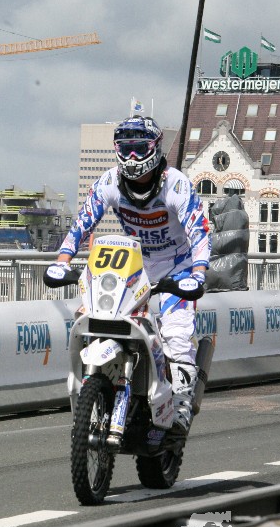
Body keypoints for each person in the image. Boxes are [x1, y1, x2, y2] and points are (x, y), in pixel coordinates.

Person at [51, 115, 211, 434]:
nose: (133, 156)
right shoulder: (109, 182)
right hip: (135, 266)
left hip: (177, 269)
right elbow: (83, 223)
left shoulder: (175, 184)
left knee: (177, 337)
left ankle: (180, 407)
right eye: (126, 149)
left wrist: (198, 272)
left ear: (155, 148)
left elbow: (199, 230)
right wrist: (62, 260)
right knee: (100, 318)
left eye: (140, 148)